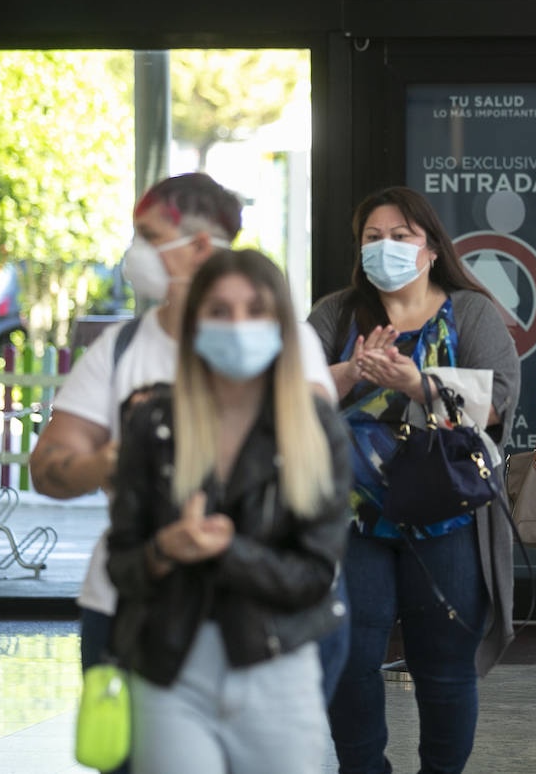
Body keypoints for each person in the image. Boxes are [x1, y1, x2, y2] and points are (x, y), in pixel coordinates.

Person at [28, 173, 340, 711]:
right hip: (134, 608)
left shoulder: (288, 343)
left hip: (266, 612)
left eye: (148, 236)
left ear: (198, 245)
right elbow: (49, 466)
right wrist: (108, 465)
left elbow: (316, 471)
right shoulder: (122, 347)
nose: (136, 253)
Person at [108, 249, 352, 772]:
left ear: (281, 324)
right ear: (195, 322)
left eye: (255, 310)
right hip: (170, 669)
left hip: (277, 667)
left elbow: (315, 574)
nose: (238, 325)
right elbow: (121, 563)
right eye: (219, 311)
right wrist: (162, 551)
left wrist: (227, 552)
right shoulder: (153, 422)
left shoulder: (315, 426)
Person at [309, 186, 519, 772]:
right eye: (373, 238)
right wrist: (352, 370)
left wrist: (414, 382)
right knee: (349, 659)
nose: (386, 248)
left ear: (430, 249)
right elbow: (288, 391)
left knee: (445, 665)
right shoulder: (335, 314)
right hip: (352, 516)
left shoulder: (470, 310)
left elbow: (500, 398)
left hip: (448, 513)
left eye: (401, 236)